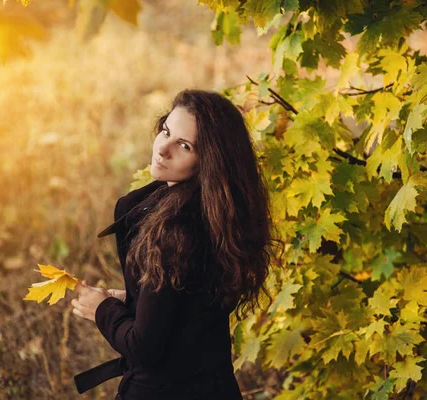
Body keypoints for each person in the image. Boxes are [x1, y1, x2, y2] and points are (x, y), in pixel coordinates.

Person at [71, 89, 283, 399]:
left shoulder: (177, 231)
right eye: (166, 131)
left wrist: (103, 310)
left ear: (208, 162)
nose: (163, 149)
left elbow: (144, 348)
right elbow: (190, 311)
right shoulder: (221, 215)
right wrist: (134, 300)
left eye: (184, 146)